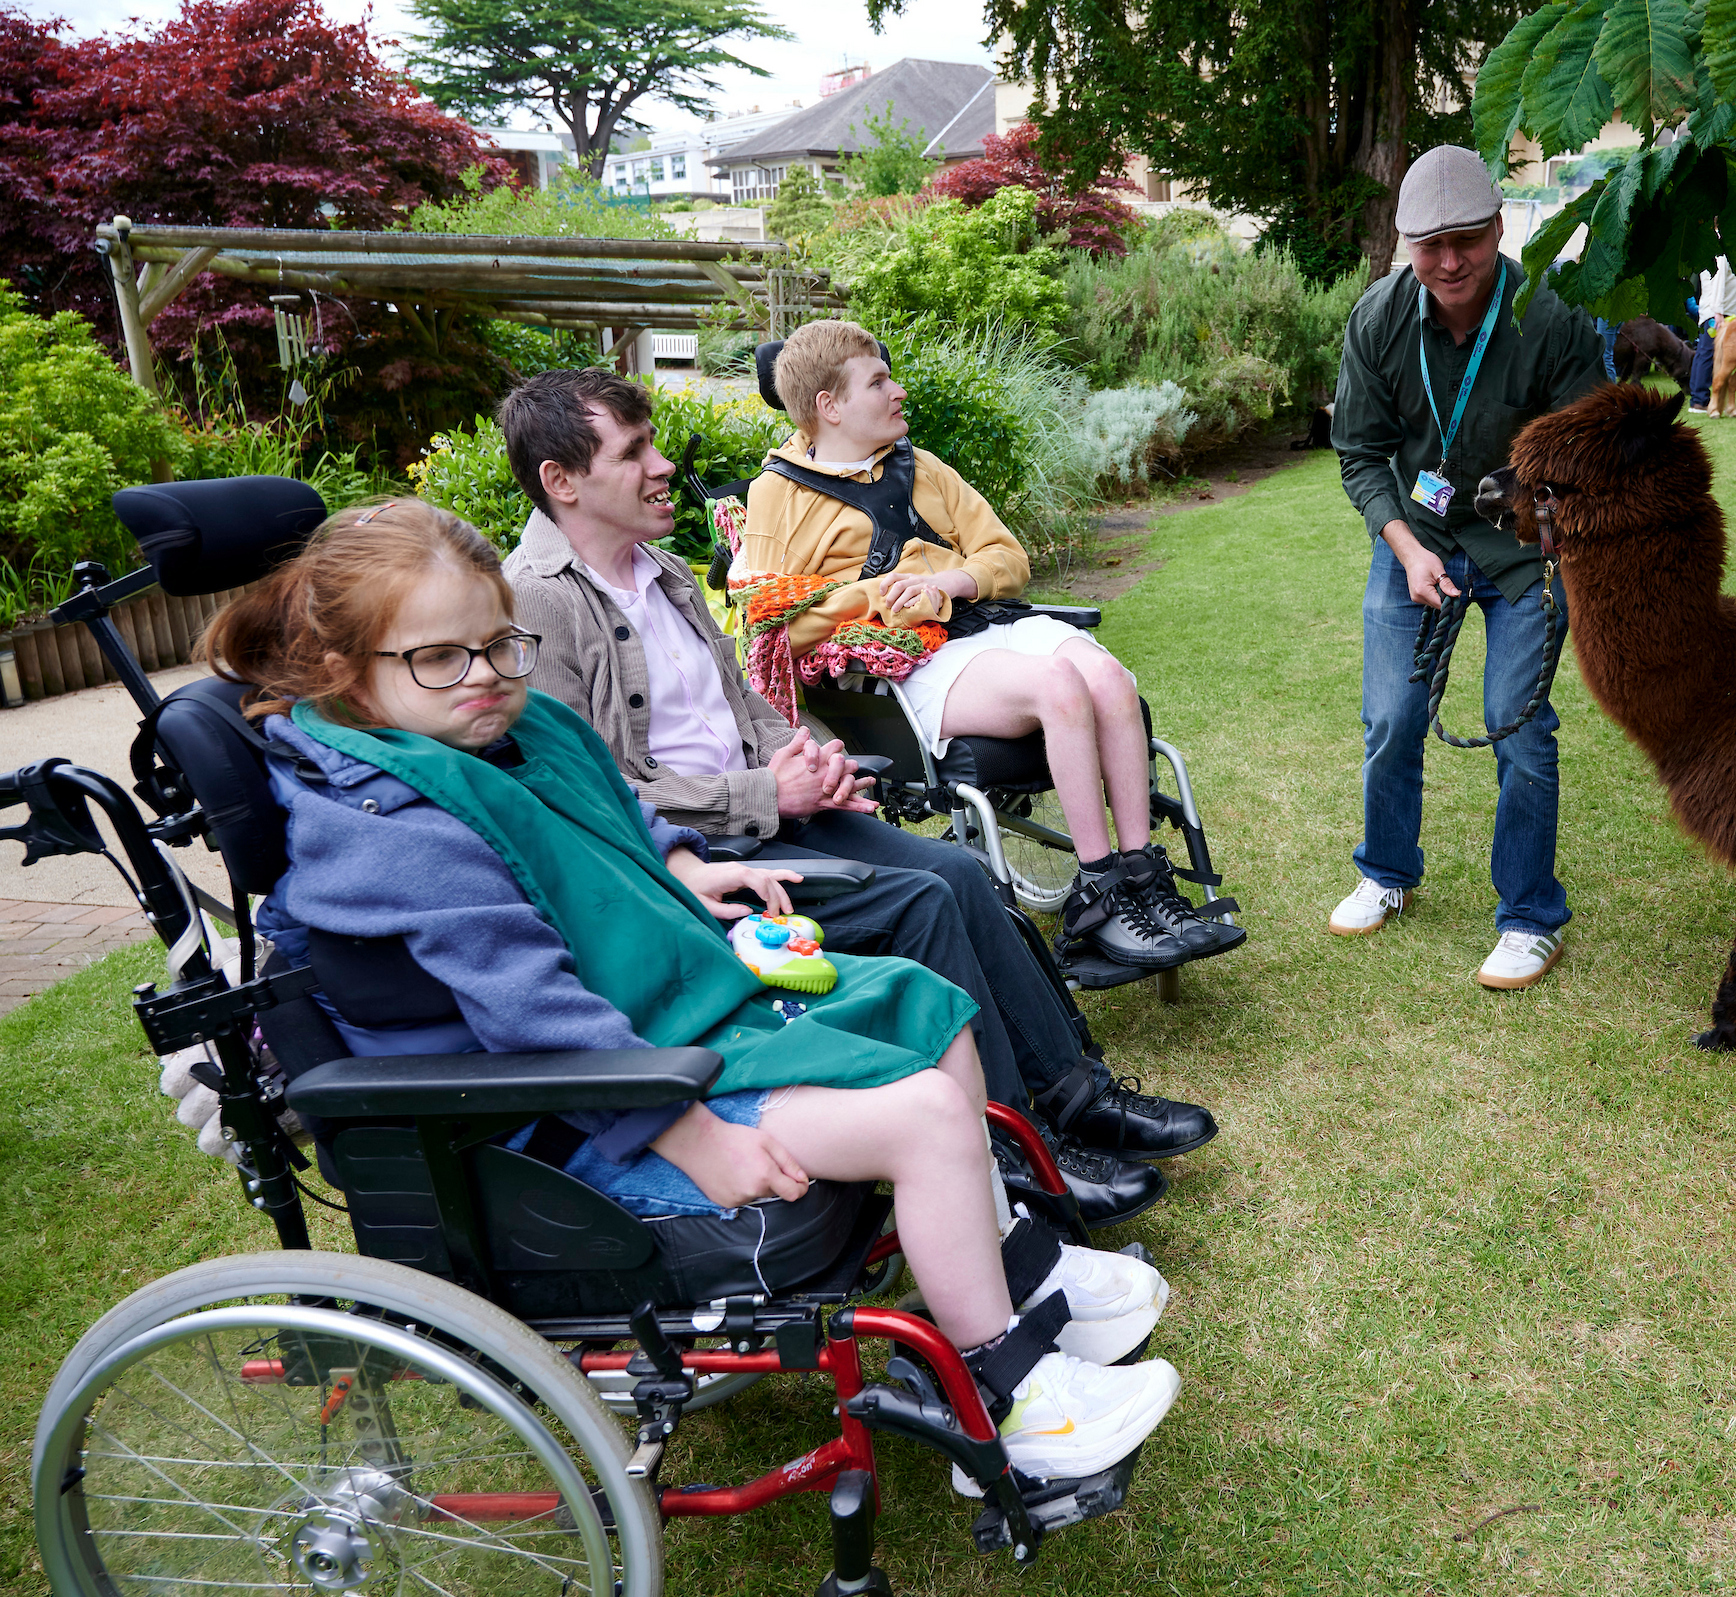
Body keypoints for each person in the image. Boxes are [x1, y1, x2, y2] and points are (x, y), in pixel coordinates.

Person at [226, 499, 1181, 1488]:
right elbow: (532, 1017)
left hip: (643, 1029)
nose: (485, 678)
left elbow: (615, 805)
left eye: (500, 645)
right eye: (440, 658)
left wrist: (680, 861)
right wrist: (692, 1135)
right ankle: (998, 1398)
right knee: (928, 1116)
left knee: (922, 998)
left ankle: (1007, 1270)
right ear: (346, 671)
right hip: (556, 1126)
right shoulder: (389, 831)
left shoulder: (511, 728)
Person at [496, 368, 1212, 1230]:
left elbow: (741, 705)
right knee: (922, 901)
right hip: (698, 861)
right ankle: (1019, 1151)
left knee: (961, 870)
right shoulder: (534, 601)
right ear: (561, 481)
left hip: (772, 813)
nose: (660, 466)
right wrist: (768, 788)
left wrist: (812, 757)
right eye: (633, 451)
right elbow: (593, 789)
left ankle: (1076, 1094)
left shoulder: (659, 569)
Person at [733, 323, 1240, 977]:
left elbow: (1007, 557)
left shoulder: (923, 467)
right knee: (1059, 684)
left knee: (1111, 679)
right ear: (830, 405)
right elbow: (772, 621)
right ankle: (1098, 895)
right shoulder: (779, 493)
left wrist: (948, 580)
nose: (899, 389)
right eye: (879, 380)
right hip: (906, 661)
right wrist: (885, 597)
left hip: (984, 619)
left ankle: (1143, 878)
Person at [1328, 144, 1607, 990]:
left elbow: (1590, 445)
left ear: (1498, 226)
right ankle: (1387, 871)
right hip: (1418, 538)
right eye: (1429, 244)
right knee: (1392, 717)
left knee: (1518, 728)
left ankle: (1529, 917)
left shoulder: (1551, 315)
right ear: (1405, 243)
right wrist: (1406, 550)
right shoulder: (1377, 319)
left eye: (1468, 239)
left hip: (1522, 552)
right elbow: (1362, 455)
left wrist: (1560, 527)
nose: (1450, 262)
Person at [1690, 255, 1736, 412]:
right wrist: (1718, 312)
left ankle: (1700, 398)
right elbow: (1717, 282)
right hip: (1719, 313)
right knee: (1708, 353)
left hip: (1726, 311)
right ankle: (1700, 400)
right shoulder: (1722, 252)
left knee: (1706, 352)